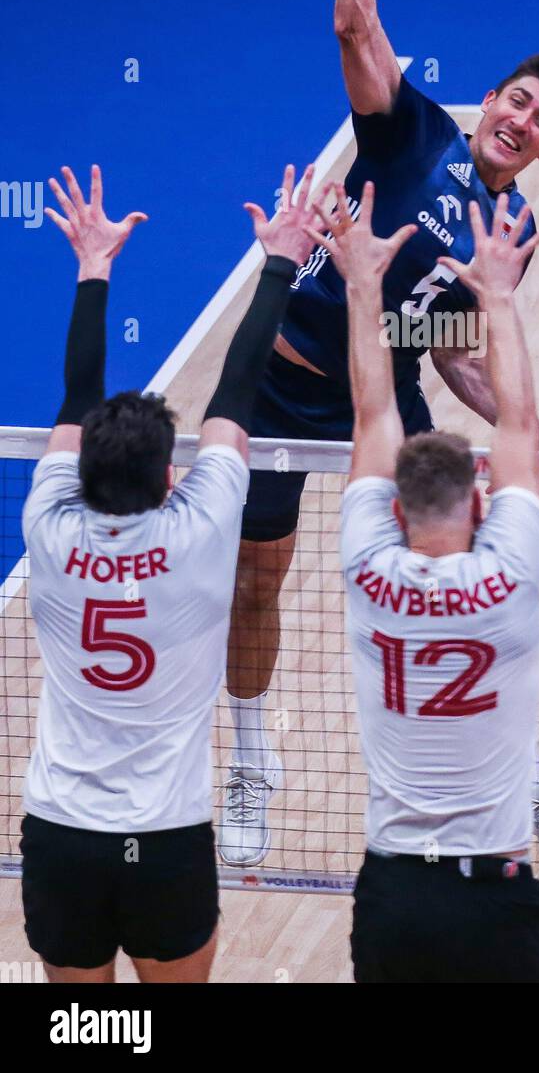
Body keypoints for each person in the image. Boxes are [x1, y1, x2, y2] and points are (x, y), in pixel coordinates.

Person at [219, 0, 539, 884]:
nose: (520, 119)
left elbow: (445, 342)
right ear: (489, 99)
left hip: (390, 403)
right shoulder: (410, 129)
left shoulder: (513, 226)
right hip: (293, 386)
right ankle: (252, 767)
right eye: (516, 100)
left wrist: (501, 404)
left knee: (468, 588)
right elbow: (351, 20)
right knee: (255, 580)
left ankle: (534, 790)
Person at [21, 161, 328, 982]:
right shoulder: (200, 536)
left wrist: (94, 265)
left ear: (80, 471)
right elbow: (240, 386)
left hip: (60, 835)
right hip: (165, 843)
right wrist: (279, 260)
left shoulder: (47, 529)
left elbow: (74, 395)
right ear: (169, 478)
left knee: (86, 1035)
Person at [306, 182, 539, 982]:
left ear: (396, 512)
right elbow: (520, 424)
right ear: (480, 500)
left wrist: (362, 285)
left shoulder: (368, 568)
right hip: (497, 889)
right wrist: (499, 298)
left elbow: (373, 416)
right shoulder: (509, 574)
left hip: (397, 890)